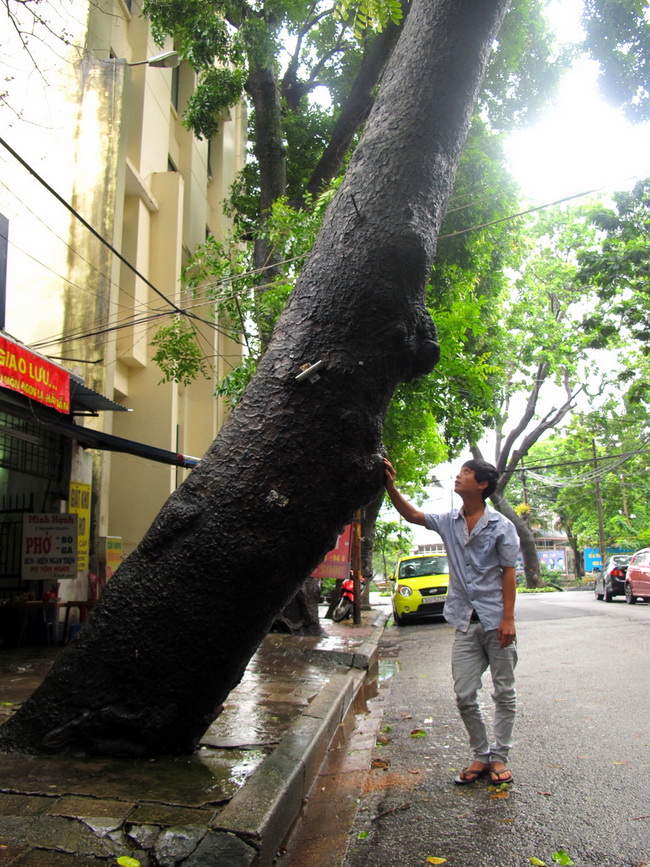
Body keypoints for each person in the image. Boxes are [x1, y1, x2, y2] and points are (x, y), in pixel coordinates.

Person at [384, 457, 519, 786]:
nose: (458, 477)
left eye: (466, 473)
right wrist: (390, 487)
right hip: (464, 622)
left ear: (482, 484)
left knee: (504, 692)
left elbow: (509, 574)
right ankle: (481, 754)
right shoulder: (448, 521)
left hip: (495, 621)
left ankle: (499, 757)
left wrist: (508, 619)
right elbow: (414, 515)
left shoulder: (502, 526)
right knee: (463, 694)